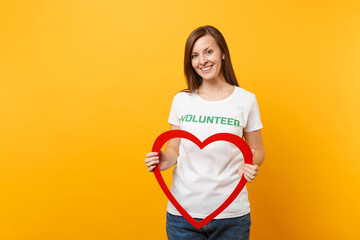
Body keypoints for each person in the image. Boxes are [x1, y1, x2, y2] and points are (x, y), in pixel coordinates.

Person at [144, 25, 265, 240]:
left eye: (209, 51)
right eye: (195, 55)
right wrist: (165, 158)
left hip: (232, 215)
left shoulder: (246, 100)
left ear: (222, 53)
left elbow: (256, 149)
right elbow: (174, 146)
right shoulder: (182, 100)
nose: (202, 61)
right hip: (182, 215)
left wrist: (251, 165)